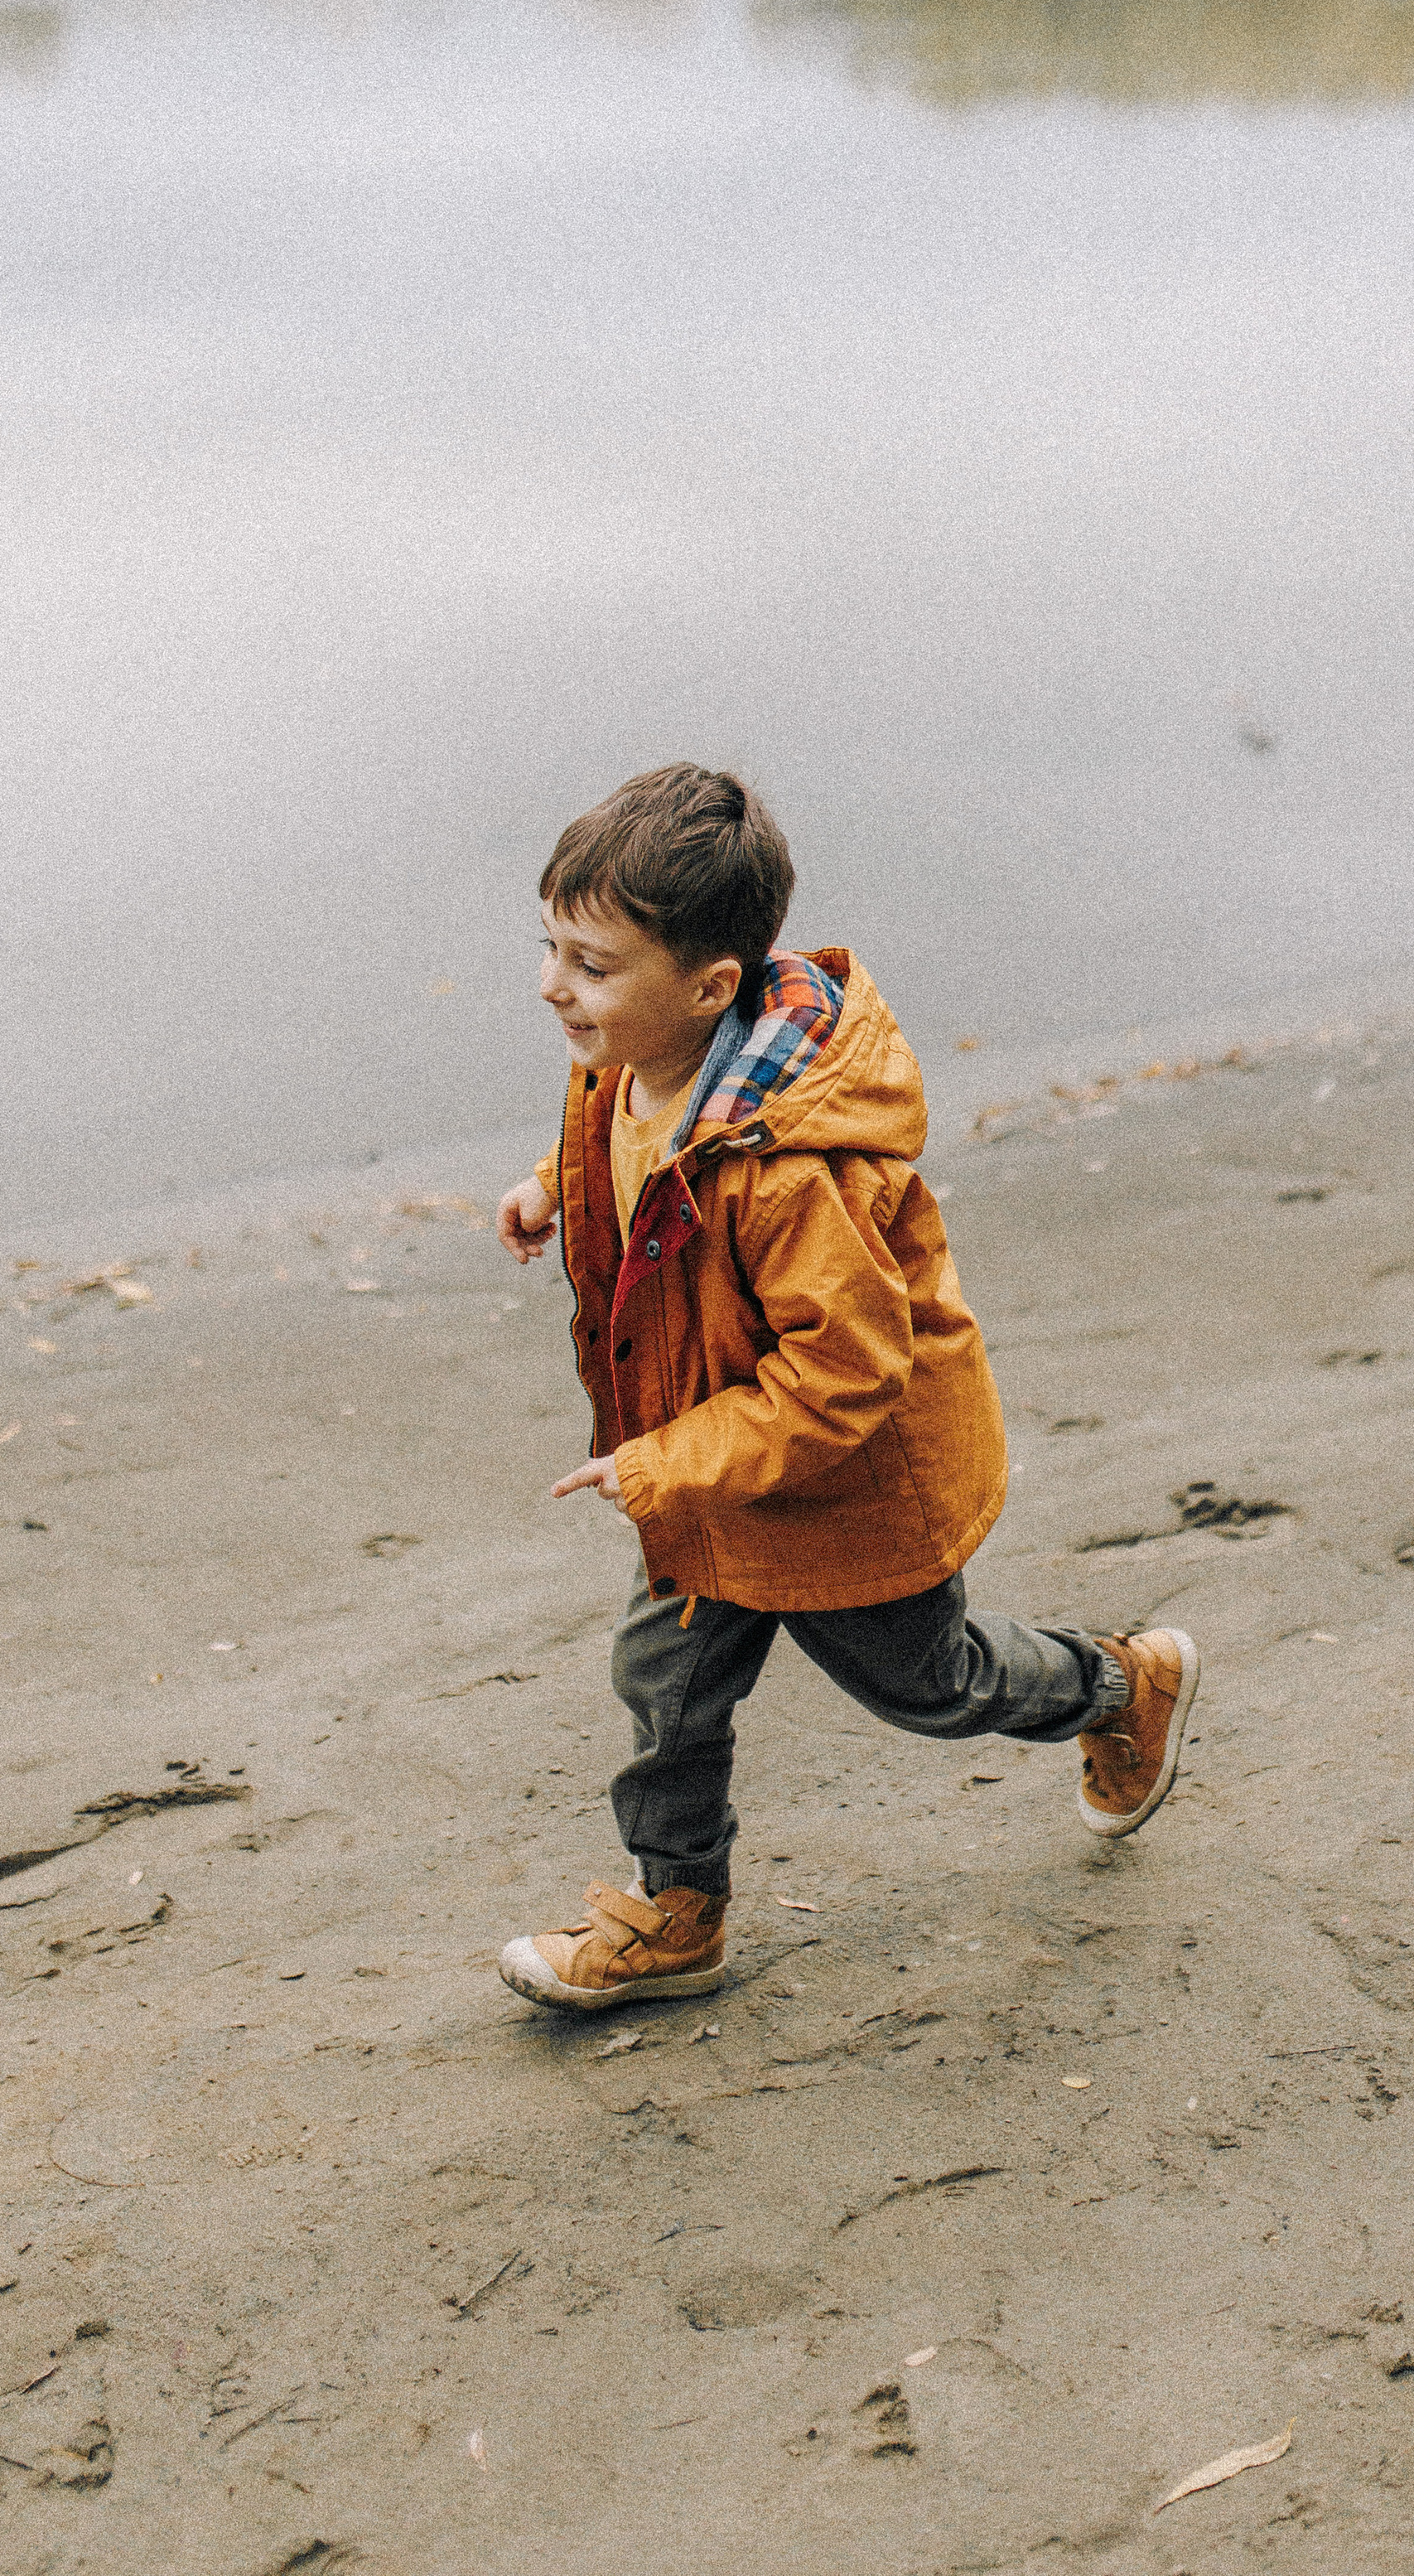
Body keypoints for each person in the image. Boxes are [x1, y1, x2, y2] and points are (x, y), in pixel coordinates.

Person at [493, 762, 1197, 2013]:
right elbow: (637, 1158)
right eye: (551, 946)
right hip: (710, 1473)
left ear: (710, 989)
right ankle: (676, 1913)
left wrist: (661, 1463)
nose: (554, 984)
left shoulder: (788, 1175)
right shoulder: (623, 1068)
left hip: (840, 1488)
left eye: (591, 965)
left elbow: (846, 1371)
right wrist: (558, 1186)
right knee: (666, 1684)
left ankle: (1117, 1685)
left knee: (932, 1686)